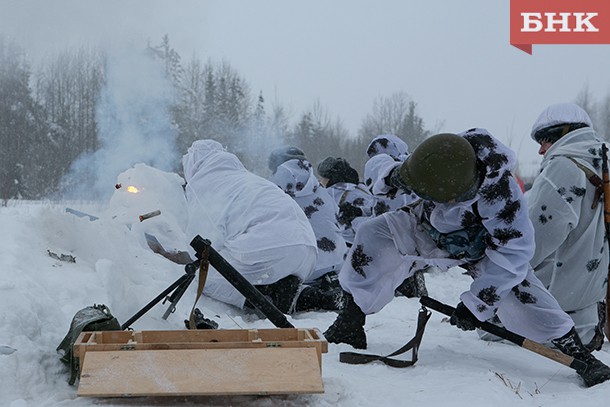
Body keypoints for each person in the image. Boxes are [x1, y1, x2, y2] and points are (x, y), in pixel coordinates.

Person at [323, 130, 610, 387]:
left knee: (527, 298)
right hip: (426, 227)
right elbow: (379, 167)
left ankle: (579, 354)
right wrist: (392, 178)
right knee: (374, 234)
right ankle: (351, 319)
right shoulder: (429, 166)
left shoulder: (501, 195)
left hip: (482, 247)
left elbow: (514, 254)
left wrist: (477, 303)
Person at [180, 139, 318, 314]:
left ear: (192, 162)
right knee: (251, 261)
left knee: (204, 277)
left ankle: (266, 296)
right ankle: (295, 292)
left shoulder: (205, 183)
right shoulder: (245, 177)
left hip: (271, 250)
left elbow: (204, 244)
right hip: (308, 250)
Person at [527, 103, 607, 351]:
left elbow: (534, 240)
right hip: (586, 312)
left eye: (545, 140)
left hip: (549, 313)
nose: (541, 150)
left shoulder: (563, 167)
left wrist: (499, 273)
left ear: (564, 133)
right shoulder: (603, 162)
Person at [268, 146, 349, 311]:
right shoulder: (322, 190)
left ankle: (309, 296)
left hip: (306, 268)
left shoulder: (274, 190)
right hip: (337, 262)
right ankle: (327, 284)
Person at [363, 134, 427, 298]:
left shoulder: (383, 165)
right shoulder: (414, 166)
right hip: (419, 232)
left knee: (394, 277)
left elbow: (378, 193)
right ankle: (413, 289)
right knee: (410, 270)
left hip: (391, 233)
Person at [317, 156, 376, 246]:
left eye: (323, 177)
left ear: (330, 177)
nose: (321, 181)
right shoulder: (361, 188)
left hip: (350, 246)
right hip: (368, 243)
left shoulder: (332, 193)